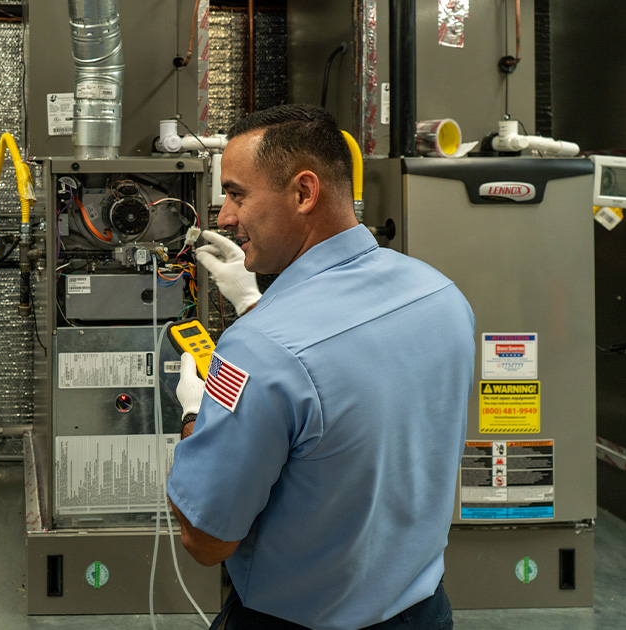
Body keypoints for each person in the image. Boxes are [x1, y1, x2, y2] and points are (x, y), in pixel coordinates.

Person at [166, 104, 475, 630]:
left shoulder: (257, 351)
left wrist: (196, 417)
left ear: (304, 193)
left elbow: (206, 540)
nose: (223, 218)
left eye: (237, 194)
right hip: (423, 612)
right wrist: (254, 304)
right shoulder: (440, 294)